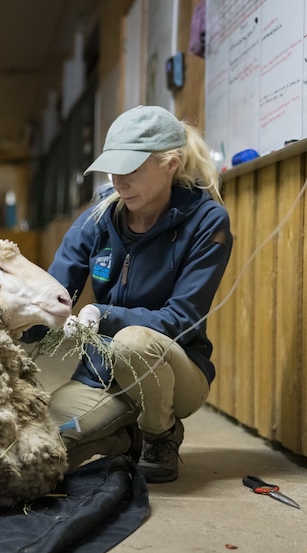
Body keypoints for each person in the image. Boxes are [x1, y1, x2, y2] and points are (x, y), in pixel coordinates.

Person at [44, 105, 232, 483]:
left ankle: (159, 434)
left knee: (131, 341)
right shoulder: (100, 215)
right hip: (101, 372)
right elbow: (56, 289)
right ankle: (122, 438)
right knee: (45, 449)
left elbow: (181, 317)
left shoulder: (207, 221)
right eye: (113, 168)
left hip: (172, 368)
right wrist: (19, 321)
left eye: (131, 169)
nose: (118, 181)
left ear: (170, 164)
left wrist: (105, 314)